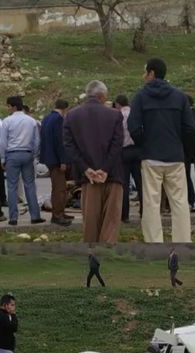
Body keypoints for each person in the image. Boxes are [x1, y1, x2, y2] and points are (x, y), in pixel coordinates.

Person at [128, 58, 195, 243]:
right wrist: (177, 144)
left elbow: (133, 127)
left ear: (151, 73)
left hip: (151, 157)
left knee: (151, 203)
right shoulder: (180, 97)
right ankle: (182, 242)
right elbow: (189, 128)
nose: (143, 76)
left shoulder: (140, 97)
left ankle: (154, 242)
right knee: (180, 203)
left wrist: (145, 143)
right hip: (175, 157)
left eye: (145, 72)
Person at [64, 81, 124, 243]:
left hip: (88, 178)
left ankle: (91, 256)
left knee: (90, 222)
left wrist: (86, 169)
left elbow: (70, 146)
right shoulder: (114, 115)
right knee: (111, 222)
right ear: (102, 96)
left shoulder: (71, 115)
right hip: (112, 175)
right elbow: (117, 144)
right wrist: (105, 169)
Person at [1, 96, 44, 225]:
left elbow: (3, 141)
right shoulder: (31, 121)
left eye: (8, 106)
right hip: (27, 154)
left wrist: (2, 158)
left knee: (12, 186)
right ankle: (35, 215)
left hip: (12, 154)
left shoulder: (7, 121)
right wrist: (34, 154)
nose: (8, 108)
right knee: (30, 185)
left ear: (13, 107)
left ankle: (13, 218)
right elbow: (37, 140)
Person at [40, 99, 72, 227]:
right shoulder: (59, 120)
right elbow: (60, 142)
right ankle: (57, 215)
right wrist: (63, 160)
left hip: (48, 157)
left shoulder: (47, 118)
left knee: (58, 187)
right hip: (56, 159)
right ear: (65, 109)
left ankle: (60, 211)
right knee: (59, 189)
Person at [114, 94, 142, 223]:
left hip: (123, 151)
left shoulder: (117, 116)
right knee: (141, 183)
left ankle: (124, 215)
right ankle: (144, 212)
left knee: (124, 184)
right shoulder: (134, 114)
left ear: (118, 104)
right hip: (137, 149)